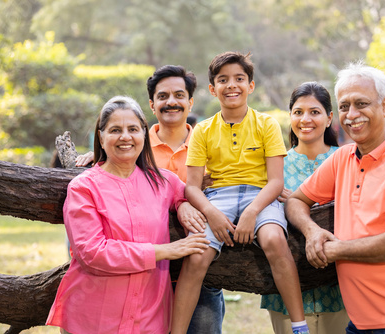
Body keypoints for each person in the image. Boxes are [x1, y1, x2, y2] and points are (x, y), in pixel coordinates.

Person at [286, 62, 385, 333]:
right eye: (345, 106)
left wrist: (334, 250)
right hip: (361, 321)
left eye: (361, 104)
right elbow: (295, 200)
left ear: (384, 106)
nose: (352, 114)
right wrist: (312, 232)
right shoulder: (342, 159)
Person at [75, 65, 226, 333]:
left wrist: (184, 203)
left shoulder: (210, 147)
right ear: (152, 104)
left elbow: (186, 191)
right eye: (163, 96)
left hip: (194, 275)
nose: (171, 102)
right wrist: (99, 157)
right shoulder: (129, 159)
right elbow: (91, 249)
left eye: (179, 95)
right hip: (128, 285)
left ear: (190, 102)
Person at [46, 96, 210, 333]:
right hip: (94, 319)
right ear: (101, 138)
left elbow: (181, 191)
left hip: (149, 318)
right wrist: (166, 251)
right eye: (115, 130)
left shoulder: (162, 181)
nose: (125, 136)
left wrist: (182, 203)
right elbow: (91, 252)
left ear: (144, 134)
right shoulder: (84, 187)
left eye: (133, 129)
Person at [172, 51, 308, 334]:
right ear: (212, 89)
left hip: (260, 195)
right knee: (196, 256)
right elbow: (192, 187)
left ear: (251, 86)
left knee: (273, 239)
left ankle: (299, 326)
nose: (231, 85)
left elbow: (275, 182)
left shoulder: (266, 123)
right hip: (218, 197)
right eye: (223, 80)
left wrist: (252, 212)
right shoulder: (202, 130)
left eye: (239, 79)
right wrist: (212, 214)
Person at [260, 82, 349, 334]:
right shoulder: (274, 168)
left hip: (341, 291)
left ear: (330, 117)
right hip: (286, 298)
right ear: (290, 117)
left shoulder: (347, 160)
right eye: (298, 112)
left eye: (314, 111)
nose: (305, 119)